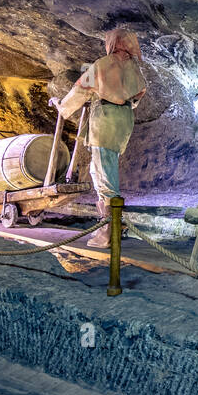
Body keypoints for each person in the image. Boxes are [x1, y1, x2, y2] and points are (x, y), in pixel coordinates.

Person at [57, 29, 147, 248]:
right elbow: (140, 92)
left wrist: (61, 107)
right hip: (124, 119)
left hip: (105, 120)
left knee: (103, 173)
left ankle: (108, 231)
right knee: (102, 169)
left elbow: (80, 90)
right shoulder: (133, 67)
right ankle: (111, 225)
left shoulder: (102, 64)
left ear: (113, 43)